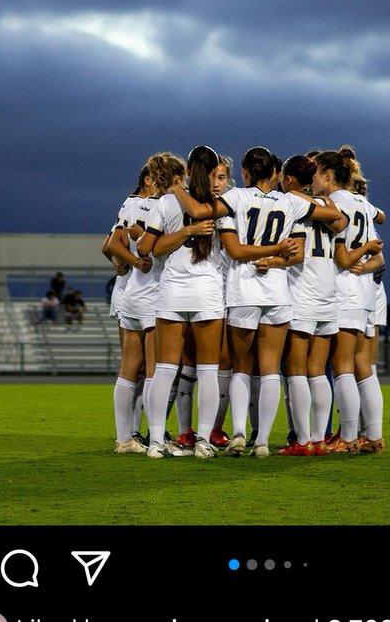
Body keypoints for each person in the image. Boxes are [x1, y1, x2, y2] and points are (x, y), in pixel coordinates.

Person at [173, 145, 344, 457]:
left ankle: (239, 433)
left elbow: (234, 250)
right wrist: (278, 247)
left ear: (245, 173)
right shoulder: (291, 201)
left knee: (241, 368)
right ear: (276, 174)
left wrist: (175, 189)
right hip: (278, 293)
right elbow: (332, 219)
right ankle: (262, 441)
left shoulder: (237, 198)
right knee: (269, 371)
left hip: (244, 292)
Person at [136, 145, 228, 460]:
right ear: (215, 172)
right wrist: (190, 229)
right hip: (208, 292)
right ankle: (203, 441)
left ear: (187, 170)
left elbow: (149, 247)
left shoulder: (167, 201)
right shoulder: (222, 203)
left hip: (172, 291)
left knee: (164, 370)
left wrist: (180, 230)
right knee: (207, 371)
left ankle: (157, 442)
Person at [106, 152, 188, 455]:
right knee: (157, 370)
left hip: (132, 295)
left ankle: (124, 438)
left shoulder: (130, 203)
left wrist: (130, 262)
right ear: (176, 179)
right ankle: (156, 439)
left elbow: (112, 243)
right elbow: (160, 246)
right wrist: (144, 260)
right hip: (156, 293)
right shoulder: (168, 205)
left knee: (129, 369)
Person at [310, 150, 383, 453]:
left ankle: (349, 438)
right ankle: (374, 436)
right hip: (366, 292)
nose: (311, 180)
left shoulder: (335, 203)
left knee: (342, 367)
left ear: (327, 174)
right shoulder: (363, 203)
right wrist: (364, 261)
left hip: (344, 291)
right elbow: (378, 250)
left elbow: (341, 258)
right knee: (363, 366)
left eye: (315, 173)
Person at [273, 154, 347, 456]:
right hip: (327, 294)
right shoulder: (327, 205)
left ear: (288, 179)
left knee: (296, 371)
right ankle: (319, 439)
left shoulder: (289, 200)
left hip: (301, 293)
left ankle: (302, 441)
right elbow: (340, 221)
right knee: (318, 371)